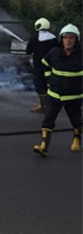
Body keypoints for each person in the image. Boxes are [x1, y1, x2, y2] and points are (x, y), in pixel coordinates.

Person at [32, 24, 82, 157]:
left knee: (76, 120)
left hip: (74, 96)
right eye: (66, 38)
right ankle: (44, 146)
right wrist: (49, 80)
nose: (68, 41)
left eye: (72, 38)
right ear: (62, 39)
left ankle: (77, 138)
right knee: (48, 120)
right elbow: (44, 64)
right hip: (54, 94)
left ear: (76, 40)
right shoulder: (54, 53)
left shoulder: (81, 56)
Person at [25, 17, 58, 112]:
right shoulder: (54, 39)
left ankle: (43, 106)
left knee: (40, 85)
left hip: (38, 66)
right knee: (49, 85)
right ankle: (51, 105)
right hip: (51, 66)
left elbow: (28, 51)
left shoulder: (34, 38)